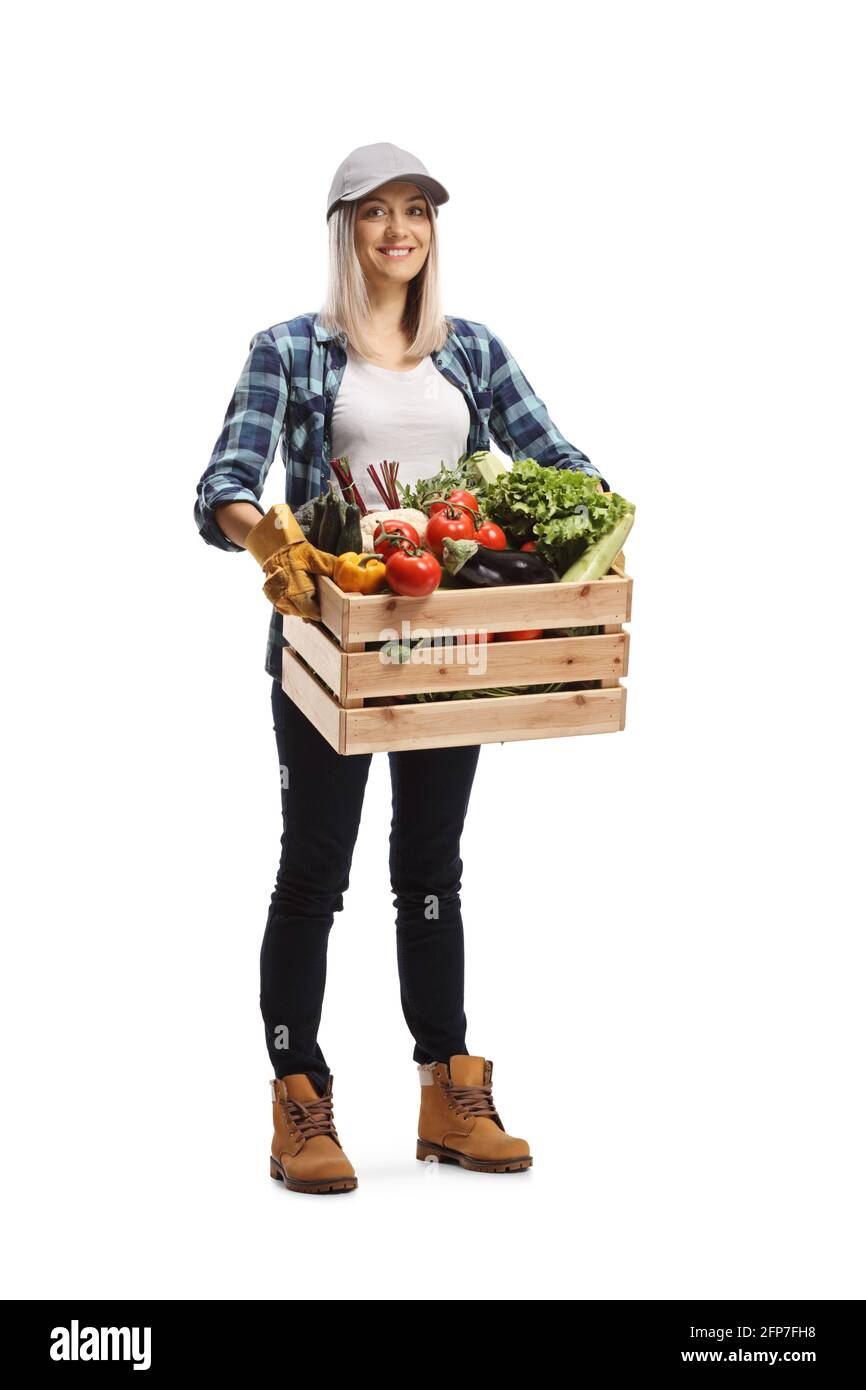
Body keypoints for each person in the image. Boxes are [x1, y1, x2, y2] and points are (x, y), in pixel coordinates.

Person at [194, 143, 609, 1195]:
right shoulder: (289, 348)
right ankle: (298, 1098)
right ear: (344, 230)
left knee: (430, 869)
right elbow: (226, 481)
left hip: (446, 641)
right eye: (376, 212)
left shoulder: (470, 349)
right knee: (313, 871)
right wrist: (270, 546)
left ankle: (446, 1091)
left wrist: (580, 532)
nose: (398, 230)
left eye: (416, 210)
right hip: (333, 642)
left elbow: (560, 459)